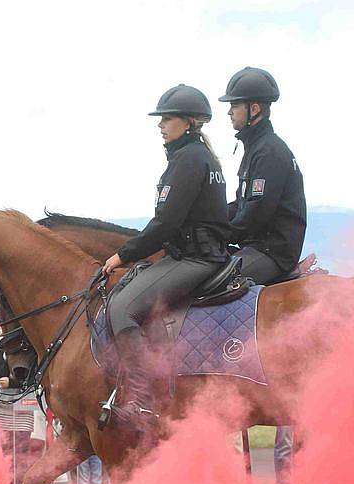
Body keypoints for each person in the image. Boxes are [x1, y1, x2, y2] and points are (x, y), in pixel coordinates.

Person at [102, 84, 230, 426]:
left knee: (120, 307)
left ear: (188, 122)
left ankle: (142, 399)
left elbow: (166, 224)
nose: (160, 125)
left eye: (167, 119)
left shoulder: (188, 160)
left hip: (195, 259)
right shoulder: (199, 156)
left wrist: (123, 255)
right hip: (195, 254)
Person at [218, 67, 307, 283]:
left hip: (272, 252)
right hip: (257, 246)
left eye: (235, 105)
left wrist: (221, 235)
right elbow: (241, 204)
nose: (229, 112)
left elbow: (257, 212)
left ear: (254, 109)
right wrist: (211, 223)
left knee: (213, 282)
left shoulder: (269, 151)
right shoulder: (256, 148)